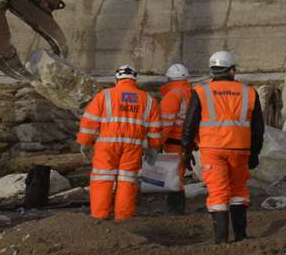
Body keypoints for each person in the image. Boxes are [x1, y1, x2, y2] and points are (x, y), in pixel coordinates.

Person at [178, 50, 265, 244]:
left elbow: (190, 124)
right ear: (233, 70)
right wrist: (254, 153)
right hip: (240, 149)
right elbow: (258, 128)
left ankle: (221, 240)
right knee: (238, 191)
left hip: (212, 150)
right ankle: (241, 236)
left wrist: (186, 150)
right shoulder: (249, 92)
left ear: (212, 71)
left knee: (218, 192)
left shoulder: (201, 92)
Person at [77, 66, 162, 222]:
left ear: (117, 79)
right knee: (127, 181)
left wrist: (85, 143)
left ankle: (99, 216)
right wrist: (154, 147)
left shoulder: (105, 95)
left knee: (102, 179)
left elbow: (89, 122)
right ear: (134, 80)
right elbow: (155, 128)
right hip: (133, 146)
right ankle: (123, 218)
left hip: (107, 146)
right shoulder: (148, 100)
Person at [156, 63, 193, 215]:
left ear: (169, 79)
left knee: (174, 177)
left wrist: (155, 143)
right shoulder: (191, 92)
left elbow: (165, 123)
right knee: (179, 175)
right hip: (186, 142)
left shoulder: (173, 95)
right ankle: (177, 209)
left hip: (174, 142)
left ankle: (175, 211)